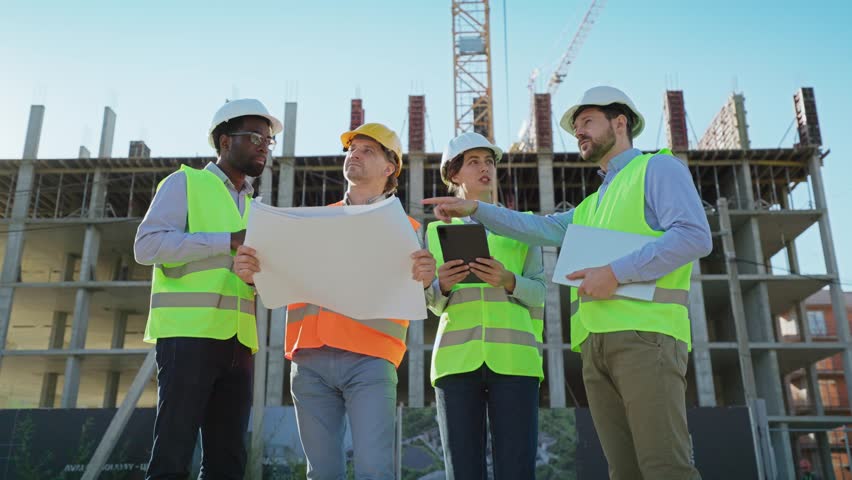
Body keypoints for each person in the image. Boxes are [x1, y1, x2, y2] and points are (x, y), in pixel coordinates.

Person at [424, 86, 711, 479]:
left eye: (587, 123)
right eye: (576, 128)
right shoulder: (593, 203)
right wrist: (475, 207)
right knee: (624, 471)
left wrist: (615, 273)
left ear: (620, 122)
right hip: (597, 344)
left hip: (648, 336)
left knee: (665, 467)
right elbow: (539, 228)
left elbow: (695, 236)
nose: (579, 133)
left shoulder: (657, 168)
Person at [234, 122, 436, 479]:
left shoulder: (410, 230)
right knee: (322, 474)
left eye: (366, 150)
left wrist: (425, 278)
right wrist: (252, 271)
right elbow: (275, 276)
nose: (353, 155)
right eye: (351, 149)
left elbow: (423, 295)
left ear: (390, 168)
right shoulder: (311, 221)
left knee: (374, 471)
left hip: (370, 360)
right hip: (309, 359)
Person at [135, 98, 282, 479]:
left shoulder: (256, 207)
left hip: (239, 342)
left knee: (228, 461)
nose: (264, 145)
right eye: (254, 137)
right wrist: (225, 240)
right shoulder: (185, 183)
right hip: (188, 336)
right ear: (223, 142)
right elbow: (147, 246)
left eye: (268, 140)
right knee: (173, 453)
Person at [423, 132, 546, 479]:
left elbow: (540, 293)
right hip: (455, 362)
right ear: (454, 174)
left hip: (515, 362)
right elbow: (431, 303)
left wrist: (508, 280)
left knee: (517, 471)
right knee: (463, 471)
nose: (485, 168)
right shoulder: (435, 232)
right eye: (474, 161)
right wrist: (442, 284)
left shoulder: (524, 225)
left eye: (489, 161)